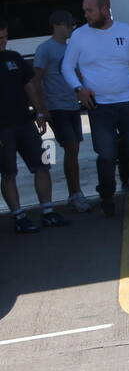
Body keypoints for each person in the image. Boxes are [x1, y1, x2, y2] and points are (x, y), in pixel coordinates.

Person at [61, 0, 129, 219]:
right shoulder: (79, 36)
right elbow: (66, 67)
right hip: (99, 107)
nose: (85, 15)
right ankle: (106, 194)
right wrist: (79, 88)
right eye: (85, 10)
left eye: (90, 10)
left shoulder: (125, 32)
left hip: (127, 103)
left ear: (104, 9)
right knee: (106, 155)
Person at [0, 21, 70, 233]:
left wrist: (40, 111)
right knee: (8, 173)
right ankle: (19, 216)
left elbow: (28, 84)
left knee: (42, 166)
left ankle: (48, 212)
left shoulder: (14, 57)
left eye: (4, 36)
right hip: (2, 129)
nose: (3, 42)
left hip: (25, 123)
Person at [33, 9, 92, 212]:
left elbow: (77, 74)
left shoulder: (70, 49)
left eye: (72, 25)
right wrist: (42, 108)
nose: (71, 28)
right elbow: (36, 79)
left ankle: (75, 193)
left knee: (74, 151)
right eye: (68, 25)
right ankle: (75, 194)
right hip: (56, 107)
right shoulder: (45, 49)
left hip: (71, 106)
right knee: (71, 147)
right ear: (57, 25)